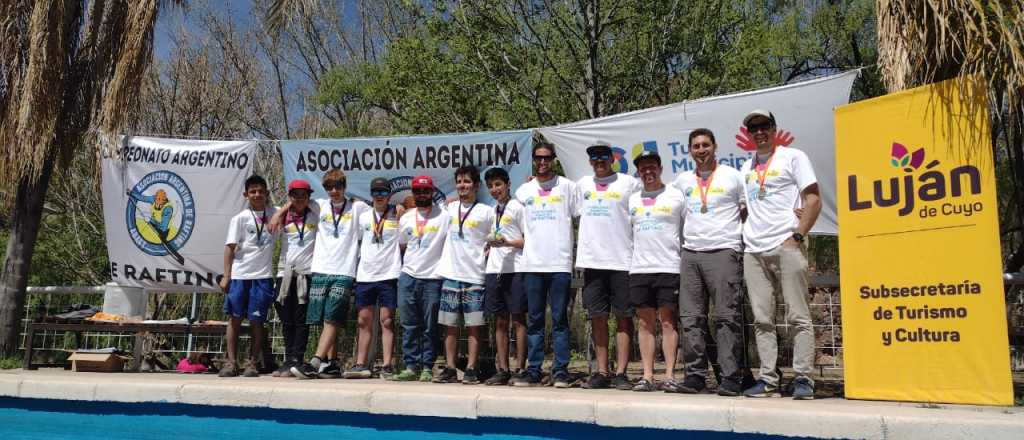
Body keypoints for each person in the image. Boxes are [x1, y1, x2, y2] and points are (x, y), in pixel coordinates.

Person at [738, 109, 821, 400]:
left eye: (764, 126)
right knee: (762, 319)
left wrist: (797, 236)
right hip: (754, 250)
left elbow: (813, 198)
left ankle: (804, 379)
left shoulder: (793, 156)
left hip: (786, 246)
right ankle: (769, 380)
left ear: (774, 128)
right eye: (754, 128)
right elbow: (748, 206)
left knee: (798, 315)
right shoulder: (745, 168)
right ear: (749, 134)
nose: (759, 132)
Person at [672, 129, 747, 396]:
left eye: (705, 145)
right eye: (695, 146)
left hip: (724, 251)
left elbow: (748, 209)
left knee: (727, 317)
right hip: (691, 253)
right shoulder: (681, 181)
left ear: (715, 146)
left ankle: (730, 377)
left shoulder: (733, 176)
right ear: (689, 151)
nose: (701, 149)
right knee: (692, 318)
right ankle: (695, 376)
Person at [512, 143, 580, 388]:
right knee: (535, 320)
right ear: (533, 160)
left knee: (560, 319)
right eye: (538, 158)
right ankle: (533, 369)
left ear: (553, 160)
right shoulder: (523, 191)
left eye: (547, 158)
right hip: (532, 264)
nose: (542, 162)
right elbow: (511, 222)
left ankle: (560, 370)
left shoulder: (568, 187)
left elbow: (585, 215)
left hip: (560, 263)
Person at [575, 140, 640, 390]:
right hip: (592, 262)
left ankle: (622, 372)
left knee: (624, 317)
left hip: (623, 260)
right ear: (590, 162)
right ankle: (602, 371)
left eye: (604, 158)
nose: (599, 162)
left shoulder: (629, 183)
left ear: (612, 159)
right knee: (598, 318)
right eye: (595, 158)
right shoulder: (582, 185)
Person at [291, 169, 368, 379]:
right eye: (329, 187)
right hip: (321, 268)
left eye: (338, 186)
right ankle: (332, 363)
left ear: (345, 186)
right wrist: (277, 216)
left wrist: (398, 208)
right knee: (325, 318)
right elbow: (294, 203)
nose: (334, 191)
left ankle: (315, 362)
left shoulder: (357, 207)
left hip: (344, 270)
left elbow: (380, 210)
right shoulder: (319, 205)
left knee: (333, 317)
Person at [626, 151, 684, 392]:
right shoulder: (632, 199)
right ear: (638, 172)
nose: (647, 171)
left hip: (669, 266)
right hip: (639, 268)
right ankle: (648, 375)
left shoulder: (676, 195)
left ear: (660, 168)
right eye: (642, 168)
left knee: (668, 322)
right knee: (644, 323)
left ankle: (670, 374)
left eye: (652, 167)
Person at [434, 165, 495, 384]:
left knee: (474, 326)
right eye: (459, 181)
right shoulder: (448, 208)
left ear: (476, 185)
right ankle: (450, 367)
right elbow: (422, 214)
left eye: (467, 181)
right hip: (451, 273)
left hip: (475, 275)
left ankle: (471, 368)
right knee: (450, 325)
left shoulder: (487, 211)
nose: (462, 185)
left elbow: (496, 237)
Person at [219, 175, 278, 377]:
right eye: (252, 191)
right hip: (240, 275)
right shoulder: (240, 218)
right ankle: (231, 362)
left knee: (257, 321)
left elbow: (292, 206)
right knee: (234, 319)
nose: (257, 194)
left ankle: (252, 362)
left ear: (266, 193)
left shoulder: (274, 213)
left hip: (262, 276)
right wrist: (226, 276)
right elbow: (229, 248)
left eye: (261, 191)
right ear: (246, 195)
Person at [393, 176, 451, 382]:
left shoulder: (445, 215)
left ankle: (427, 366)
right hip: (408, 275)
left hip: (433, 277)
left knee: (430, 326)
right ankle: (411, 366)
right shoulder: (407, 217)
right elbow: (402, 244)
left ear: (433, 192)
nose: (422, 195)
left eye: (426, 191)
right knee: (409, 324)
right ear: (413, 193)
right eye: (418, 191)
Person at [349, 177, 402, 379]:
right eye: (375, 192)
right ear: (371, 195)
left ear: (389, 194)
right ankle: (361, 363)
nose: (379, 196)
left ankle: (387, 365)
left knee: (387, 321)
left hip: (389, 274)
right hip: (365, 275)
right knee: (363, 321)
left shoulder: (398, 215)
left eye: (383, 192)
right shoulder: (362, 216)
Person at [267, 179, 319, 377]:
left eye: (303, 195)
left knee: (301, 320)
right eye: (295, 195)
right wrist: (284, 209)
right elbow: (271, 222)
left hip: (305, 274)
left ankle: (297, 359)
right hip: (285, 273)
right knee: (285, 318)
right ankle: (288, 359)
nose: (299, 199)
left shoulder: (315, 212)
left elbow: (317, 205)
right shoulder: (281, 215)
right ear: (289, 197)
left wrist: (294, 203)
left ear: (308, 197)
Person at [482, 167, 527, 386]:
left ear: (508, 184)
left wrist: (507, 243)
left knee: (518, 320)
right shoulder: (493, 210)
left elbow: (528, 240)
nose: (494, 190)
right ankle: (503, 368)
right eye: (490, 186)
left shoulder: (518, 207)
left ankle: (520, 368)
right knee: (499, 321)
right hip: (494, 269)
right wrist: (489, 247)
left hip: (516, 269)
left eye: (498, 185)